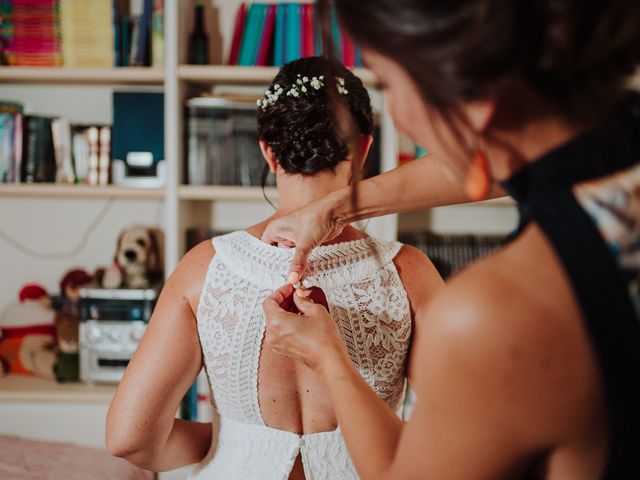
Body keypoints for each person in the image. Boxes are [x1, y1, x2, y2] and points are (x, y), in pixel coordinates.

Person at [262, 1, 640, 479]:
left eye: (390, 84)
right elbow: (503, 153)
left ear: (474, 96)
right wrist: (335, 207)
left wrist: (329, 357)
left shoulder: (493, 315)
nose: (398, 113)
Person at [105, 56, 443, 479]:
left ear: (267, 150)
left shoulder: (203, 268)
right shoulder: (408, 272)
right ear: (364, 151)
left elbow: (128, 438)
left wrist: (229, 439)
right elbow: (463, 428)